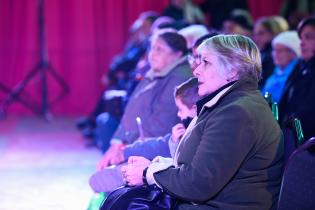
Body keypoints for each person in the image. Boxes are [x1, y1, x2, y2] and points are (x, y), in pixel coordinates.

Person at [120, 34, 283, 210]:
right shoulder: (230, 104)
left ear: (233, 70)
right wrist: (154, 166)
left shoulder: (236, 112)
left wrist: (147, 174)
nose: (196, 70)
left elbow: (198, 184)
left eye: (205, 62)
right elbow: (197, 168)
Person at [96, 31, 193, 168]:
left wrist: (126, 148)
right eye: (152, 48)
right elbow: (132, 109)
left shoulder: (178, 78)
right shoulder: (155, 72)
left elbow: (161, 125)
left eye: (159, 49)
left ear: (177, 54)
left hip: (149, 150)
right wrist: (117, 142)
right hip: (133, 142)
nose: (152, 54)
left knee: (102, 181)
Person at [89, 77, 200, 193]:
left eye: (181, 110)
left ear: (194, 109)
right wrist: (174, 141)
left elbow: (181, 168)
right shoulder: (188, 128)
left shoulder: (198, 133)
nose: (178, 114)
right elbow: (165, 146)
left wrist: (149, 168)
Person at [279, 17, 315, 140]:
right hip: (291, 138)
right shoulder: (300, 66)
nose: (301, 43)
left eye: (309, 37)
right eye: (301, 38)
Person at [262, 31, 301, 102]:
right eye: (274, 50)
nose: (275, 54)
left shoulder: (297, 74)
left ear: (294, 53)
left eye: (280, 50)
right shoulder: (276, 71)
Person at [253, 16, 289, 88]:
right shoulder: (262, 54)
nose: (256, 38)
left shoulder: (272, 57)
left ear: (274, 33)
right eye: (255, 34)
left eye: (261, 33)